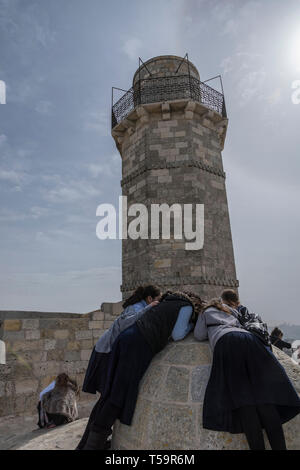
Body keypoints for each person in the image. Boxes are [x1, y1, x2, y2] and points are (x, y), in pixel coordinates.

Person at [79, 290, 203, 450]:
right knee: (119, 395)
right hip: (139, 344)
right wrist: (191, 325)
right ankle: (93, 446)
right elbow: (178, 333)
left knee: (111, 392)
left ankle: (89, 442)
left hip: (126, 339)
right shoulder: (186, 306)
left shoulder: (165, 303)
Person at [194, 290, 300, 450]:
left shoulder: (205, 312)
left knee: (245, 404)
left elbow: (199, 335)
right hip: (250, 341)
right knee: (266, 401)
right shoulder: (231, 310)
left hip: (227, 342)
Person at [76, 285, 161, 449]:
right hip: (106, 352)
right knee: (106, 398)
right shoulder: (136, 307)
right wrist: (149, 309)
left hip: (109, 351)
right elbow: (125, 324)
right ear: (149, 299)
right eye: (157, 300)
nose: (157, 303)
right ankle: (91, 443)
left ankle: (92, 441)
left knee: (106, 399)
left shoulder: (139, 307)